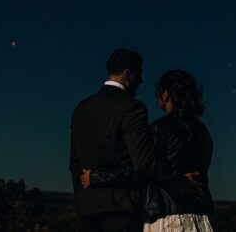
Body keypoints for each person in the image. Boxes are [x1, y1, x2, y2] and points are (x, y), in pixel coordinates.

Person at [69, 49, 203, 232]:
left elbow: (74, 164)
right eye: (139, 74)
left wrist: (84, 198)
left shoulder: (81, 109)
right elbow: (144, 163)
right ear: (127, 74)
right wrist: (183, 183)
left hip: (87, 211)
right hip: (122, 210)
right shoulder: (132, 108)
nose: (141, 81)